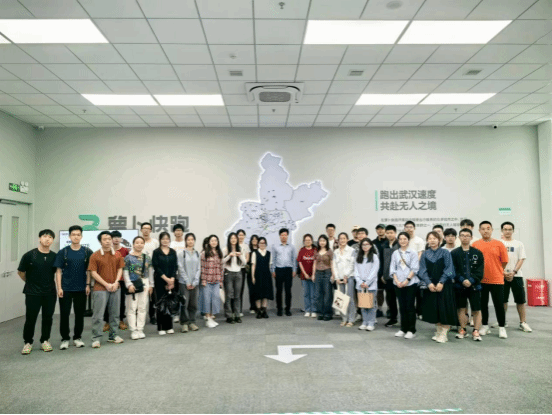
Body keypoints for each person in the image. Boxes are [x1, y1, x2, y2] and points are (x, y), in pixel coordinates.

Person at [18, 230, 58, 355]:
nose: (47, 239)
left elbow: (57, 273)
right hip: (32, 292)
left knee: (48, 318)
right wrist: (29, 282)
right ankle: (28, 342)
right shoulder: (29, 255)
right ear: (39, 238)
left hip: (49, 292)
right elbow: (21, 272)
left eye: (50, 237)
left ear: (52, 240)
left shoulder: (54, 256)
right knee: (31, 318)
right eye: (45, 236)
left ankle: (45, 341)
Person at [54, 225, 93, 350]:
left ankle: (77, 338)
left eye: (78, 234)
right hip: (66, 288)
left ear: (81, 236)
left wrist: (88, 285)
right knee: (64, 314)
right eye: (73, 234)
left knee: (79, 315)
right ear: (69, 236)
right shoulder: (63, 252)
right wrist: (59, 288)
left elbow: (89, 270)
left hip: (81, 288)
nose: (76, 237)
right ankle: (65, 338)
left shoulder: (87, 252)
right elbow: (58, 271)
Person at [418, 232, 457, 344]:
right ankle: (439, 330)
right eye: (430, 238)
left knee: (444, 308)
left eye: (434, 238)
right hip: (431, 285)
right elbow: (422, 270)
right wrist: (429, 283)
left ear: (439, 240)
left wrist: (441, 282)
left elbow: (449, 268)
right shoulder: (425, 254)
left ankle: (444, 333)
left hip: (444, 285)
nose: (432, 240)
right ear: (427, 240)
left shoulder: (445, 252)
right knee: (434, 309)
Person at [88, 231, 125, 349]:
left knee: (115, 314)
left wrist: (116, 282)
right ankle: (96, 338)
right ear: (100, 241)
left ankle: (113, 336)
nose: (108, 241)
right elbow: (93, 273)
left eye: (109, 239)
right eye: (105, 239)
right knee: (98, 315)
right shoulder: (95, 255)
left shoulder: (118, 254)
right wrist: (106, 284)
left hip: (115, 287)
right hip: (100, 289)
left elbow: (120, 269)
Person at [473, 221, 509, 339]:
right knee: (483, 305)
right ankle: (485, 326)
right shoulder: (475, 244)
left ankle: (502, 327)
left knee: (499, 305)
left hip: (497, 279)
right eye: (483, 229)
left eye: (488, 228)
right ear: (479, 231)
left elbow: (504, 261)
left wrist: (496, 270)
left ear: (492, 230)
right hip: (481, 280)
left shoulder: (499, 244)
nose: (486, 231)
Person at [498, 222, 532, 333]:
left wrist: (513, 272)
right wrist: (503, 272)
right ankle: (502, 322)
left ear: (513, 231)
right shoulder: (498, 244)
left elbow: (521, 258)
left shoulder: (519, 244)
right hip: (501, 276)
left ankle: (523, 322)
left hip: (516, 275)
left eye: (510, 229)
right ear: (502, 230)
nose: (507, 231)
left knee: (520, 300)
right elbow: (496, 260)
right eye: (505, 229)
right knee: (503, 300)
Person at [451, 229, 484, 341]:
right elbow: (452, 270)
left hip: (474, 286)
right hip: (459, 286)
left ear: (471, 237)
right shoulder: (454, 253)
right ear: (459, 237)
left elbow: (480, 270)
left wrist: (471, 280)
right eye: (462, 235)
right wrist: (461, 280)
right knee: (461, 308)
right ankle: (463, 329)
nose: (465, 237)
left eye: (467, 236)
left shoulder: (477, 253)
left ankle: (476, 330)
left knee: (476, 309)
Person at [390, 232, 420, 340]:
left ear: (408, 240)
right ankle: (403, 329)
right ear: (398, 241)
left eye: (405, 239)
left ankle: (411, 330)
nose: (402, 241)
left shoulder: (413, 252)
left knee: (410, 306)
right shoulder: (395, 253)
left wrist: (407, 280)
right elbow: (392, 268)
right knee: (402, 306)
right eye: (400, 239)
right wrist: (397, 281)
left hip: (410, 283)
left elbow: (415, 268)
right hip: (398, 283)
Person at [123, 236, 154, 340]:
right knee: (131, 307)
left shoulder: (147, 257)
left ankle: (140, 329)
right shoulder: (128, 258)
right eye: (137, 242)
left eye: (141, 243)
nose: (139, 244)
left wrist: (151, 285)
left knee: (142, 307)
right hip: (132, 283)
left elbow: (150, 272)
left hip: (144, 283)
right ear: (133, 244)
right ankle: (133, 330)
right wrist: (129, 284)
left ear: (144, 244)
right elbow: (126, 272)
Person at [103, 230, 130, 333]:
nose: (116, 239)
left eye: (118, 237)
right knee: (107, 301)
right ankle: (107, 322)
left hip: (121, 280)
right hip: (108, 280)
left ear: (121, 239)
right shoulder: (106, 250)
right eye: (114, 237)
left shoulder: (125, 251)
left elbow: (128, 265)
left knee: (121, 301)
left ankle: (121, 320)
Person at [152, 232, 178, 335]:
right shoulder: (156, 252)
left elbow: (175, 266)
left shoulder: (173, 252)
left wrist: (172, 279)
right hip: (160, 280)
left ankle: (169, 326)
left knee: (169, 303)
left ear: (169, 240)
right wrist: (166, 279)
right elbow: (156, 267)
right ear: (160, 240)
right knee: (160, 304)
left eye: (167, 238)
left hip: (171, 280)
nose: (165, 240)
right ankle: (161, 327)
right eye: (163, 239)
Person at [354, 238, 380, 331]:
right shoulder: (358, 256)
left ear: (371, 246)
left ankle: (371, 323)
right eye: (363, 245)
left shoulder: (374, 257)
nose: (365, 246)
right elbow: (355, 271)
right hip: (360, 285)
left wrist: (367, 282)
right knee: (363, 304)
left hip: (370, 285)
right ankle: (364, 322)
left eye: (367, 244)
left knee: (371, 305)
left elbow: (374, 271)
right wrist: (360, 282)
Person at [177, 233, 201, 333]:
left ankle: (192, 322)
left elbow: (199, 268)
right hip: (184, 283)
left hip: (195, 283)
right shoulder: (181, 253)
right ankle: (184, 323)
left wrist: (195, 282)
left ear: (194, 241)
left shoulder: (197, 253)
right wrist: (187, 281)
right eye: (188, 240)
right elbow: (180, 268)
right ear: (185, 241)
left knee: (193, 304)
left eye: (192, 239)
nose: (190, 241)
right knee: (184, 304)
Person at [271, 228, 297, 317]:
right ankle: (279, 309)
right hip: (278, 270)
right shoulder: (275, 246)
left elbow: (294, 259)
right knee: (279, 291)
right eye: (282, 235)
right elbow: (273, 259)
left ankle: (288, 309)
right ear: (279, 236)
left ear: (287, 236)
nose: (283, 236)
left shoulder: (292, 247)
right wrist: (273, 270)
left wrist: (294, 270)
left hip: (288, 270)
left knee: (288, 291)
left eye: (285, 235)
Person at [201, 235, 224, 328]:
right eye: (212, 240)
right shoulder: (204, 253)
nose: (214, 242)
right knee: (207, 300)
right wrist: (203, 280)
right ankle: (207, 318)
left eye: (215, 240)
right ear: (209, 242)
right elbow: (202, 267)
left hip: (216, 280)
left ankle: (211, 317)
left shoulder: (219, 253)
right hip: (207, 280)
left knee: (214, 299)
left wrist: (221, 280)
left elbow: (221, 268)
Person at [333, 232, 356, 327]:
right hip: (339, 278)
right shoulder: (335, 252)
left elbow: (352, 264)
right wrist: (337, 278)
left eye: (344, 238)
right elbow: (334, 265)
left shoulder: (352, 250)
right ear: (338, 240)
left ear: (347, 240)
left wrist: (346, 276)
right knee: (340, 299)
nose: (342, 240)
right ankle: (344, 318)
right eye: (340, 239)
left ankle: (351, 319)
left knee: (350, 298)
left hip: (349, 277)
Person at [222, 232, 245, 324]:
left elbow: (244, 262)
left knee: (237, 296)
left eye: (235, 238)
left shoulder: (240, 249)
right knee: (228, 296)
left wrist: (240, 255)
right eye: (231, 238)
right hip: (228, 273)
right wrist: (229, 255)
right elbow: (221, 262)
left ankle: (237, 315)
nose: (233, 240)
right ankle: (229, 316)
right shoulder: (225, 249)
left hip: (238, 274)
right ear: (229, 239)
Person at [380, 225, 400, 328]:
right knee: (390, 299)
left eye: (391, 233)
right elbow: (381, 261)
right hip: (387, 276)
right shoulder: (384, 245)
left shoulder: (400, 244)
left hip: (399, 277)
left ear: (395, 233)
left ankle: (405, 320)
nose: (389, 235)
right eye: (387, 233)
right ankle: (393, 319)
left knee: (401, 299)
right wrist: (382, 274)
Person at [405, 221, 425, 320]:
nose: (409, 229)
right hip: (405, 270)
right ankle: (410, 312)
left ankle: (420, 312)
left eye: (411, 227)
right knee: (409, 292)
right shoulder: (403, 240)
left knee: (419, 293)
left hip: (417, 269)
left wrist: (414, 265)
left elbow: (420, 253)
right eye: (407, 227)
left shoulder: (419, 240)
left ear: (414, 228)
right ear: (404, 228)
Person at [313, 235, 335, 322]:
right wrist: (313, 274)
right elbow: (314, 263)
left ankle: (328, 313)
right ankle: (320, 313)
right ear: (318, 242)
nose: (322, 242)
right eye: (320, 241)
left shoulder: (329, 251)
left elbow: (332, 263)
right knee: (318, 294)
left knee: (327, 294)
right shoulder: (316, 251)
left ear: (326, 242)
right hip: (318, 273)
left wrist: (333, 274)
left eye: (324, 241)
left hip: (327, 273)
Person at [141, 222, 159, 326]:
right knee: (141, 295)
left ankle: (152, 316)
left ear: (151, 230)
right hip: (140, 273)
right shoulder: (138, 241)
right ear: (141, 230)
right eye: (144, 228)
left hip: (153, 272)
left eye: (148, 228)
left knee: (152, 296)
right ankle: (140, 317)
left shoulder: (155, 242)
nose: (146, 230)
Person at [251, 237, 274, 319]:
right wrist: (253, 276)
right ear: (258, 244)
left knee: (265, 294)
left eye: (263, 243)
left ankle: (264, 311)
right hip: (257, 275)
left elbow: (269, 265)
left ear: (266, 244)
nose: (262, 244)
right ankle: (259, 312)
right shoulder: (255, 253)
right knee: (258, 294)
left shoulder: (269, 253)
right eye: (260, 243)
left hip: (266, 275)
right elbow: (253, 265)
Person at [297, 234, 318, 318]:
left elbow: (316, 262)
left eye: (309, 240)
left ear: (312, 241)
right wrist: (305, 274)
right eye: (306, 240)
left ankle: (314, 310)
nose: (308, 241)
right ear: (304, 241)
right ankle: (307, 310)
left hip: (313, 276)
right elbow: (300, 262)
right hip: (304, 276)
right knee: (306, 294)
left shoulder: (315, 250)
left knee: (313, 294)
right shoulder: (302, 250)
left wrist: (313, 274)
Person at [170, 224, 186, 324]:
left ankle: (184, 314)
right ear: (174, 232)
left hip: (184, 273)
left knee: (183, 294)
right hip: (175, 273)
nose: (178, 232)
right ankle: (175, 314)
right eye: (176, 230)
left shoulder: (186, 243)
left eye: (180, 230)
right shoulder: (171, 244)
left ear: (182, 232)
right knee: (175, 294)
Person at [373, 224, 388, 318]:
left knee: (389, 292)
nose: (380, 231)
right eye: (378, 229)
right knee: (379, 291)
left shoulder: (389, 241)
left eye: (382, 229)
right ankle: (379, 309)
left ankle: (390, 309)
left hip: (388, 270)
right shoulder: (373, 242)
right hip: (377, 270)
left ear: (385, 230)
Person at [237, 230, 252, 317]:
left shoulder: (246, 246)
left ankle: (239, 310)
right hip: (234, 269)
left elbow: (247, 258)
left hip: (242, 269)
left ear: (244, 236)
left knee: (240, 289)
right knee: (234, 290)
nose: (241, 237)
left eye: (242, 235)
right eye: (239, 235)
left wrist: (243, 262)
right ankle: (233, 310)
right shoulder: (234, 245)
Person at [246, 235, 259, 315]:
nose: (254, 240)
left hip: (259, 272)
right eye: (253, 239)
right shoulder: (248, 250)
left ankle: (258, 307)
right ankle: (252, 307)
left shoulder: (260, 250)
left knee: (258, 290)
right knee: (251, 290)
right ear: (251, 241)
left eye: (256, 239)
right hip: (250, 273)